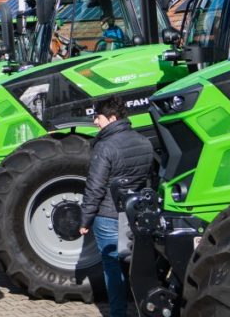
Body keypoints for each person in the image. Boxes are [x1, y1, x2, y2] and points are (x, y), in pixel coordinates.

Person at [78, 97, 154, 317]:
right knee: (136, 265)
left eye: (98, 117)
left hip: (108, 215)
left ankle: (118, 313)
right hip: (134, 214)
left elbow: (95, 187)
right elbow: (147, 181)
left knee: (112, 267)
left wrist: (85, 219)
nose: (95, 122)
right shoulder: (144, 141)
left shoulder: (105, 146)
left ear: (112, 118)